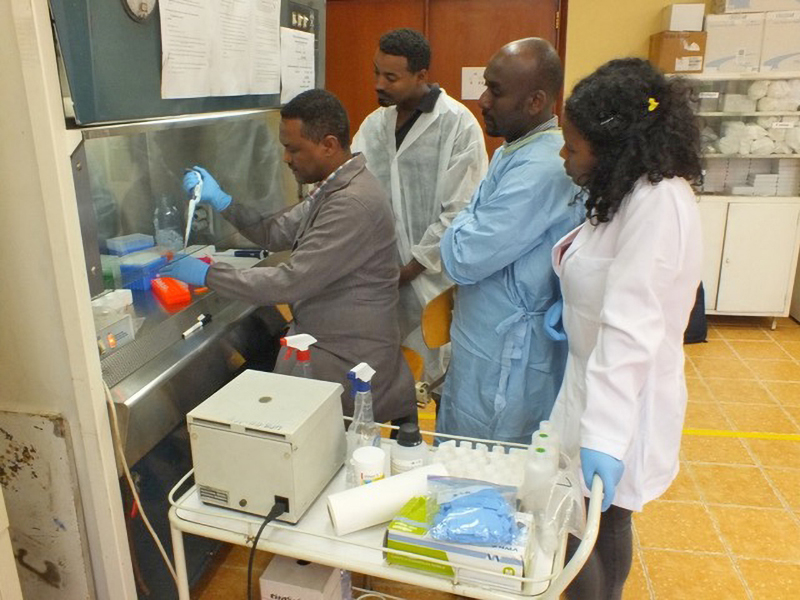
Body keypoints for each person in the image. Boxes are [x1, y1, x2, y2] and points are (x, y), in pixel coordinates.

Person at [160, 89, 416, 425]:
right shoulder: (333, 187)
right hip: (331, 345)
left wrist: (208, 274)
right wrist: (223, 201)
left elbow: (291, 281)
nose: (286, 158)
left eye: (293, 149)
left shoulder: (352, 203)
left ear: (328, 144)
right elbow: (275, 232)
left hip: (350, 362)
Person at [550, 58, 703, 599]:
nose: (564, 156)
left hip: (623, 397)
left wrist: (606, 439)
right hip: (591, 379)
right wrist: (571, 304)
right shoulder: (627, 189)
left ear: (611, 146)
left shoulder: (658, 203)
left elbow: (632, 328)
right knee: (579, 524)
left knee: (600, 525)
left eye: (572, 147)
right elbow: (596, 262)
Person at [436, 38, 583, 444]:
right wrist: (467, 220)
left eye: (495, 90)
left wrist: (460, 221)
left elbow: (462, 257)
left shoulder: (542, 167)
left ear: (535, 101)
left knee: (489, 461)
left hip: (507, 356)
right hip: (485, 339)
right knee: (460, 447)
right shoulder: (514, 150)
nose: (482, 99)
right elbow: (471, 232)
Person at [352, 28, 488, 382]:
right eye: (376, 72)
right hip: (379, 277)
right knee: (382, 375)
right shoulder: (375, 124)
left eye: (391, 77)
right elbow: (349, 184)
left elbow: (460, 211)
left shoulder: (456, 124)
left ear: (421, 76)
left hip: (430, 280)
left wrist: (410, 268)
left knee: (429, 379)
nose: (378, 84)